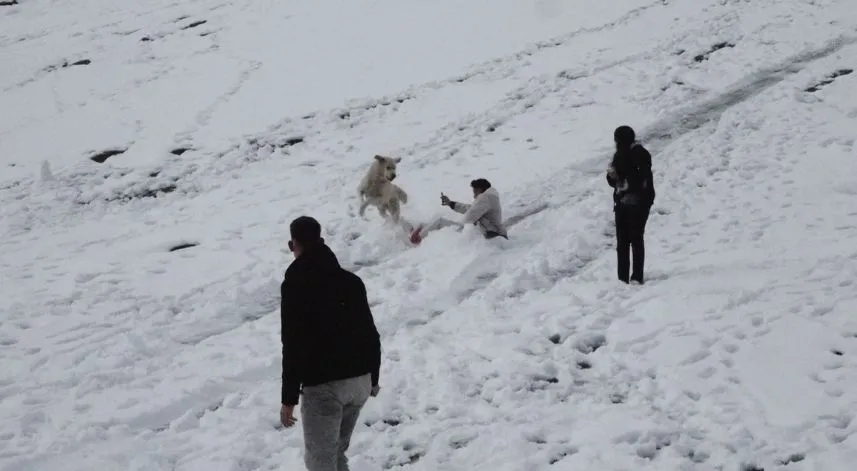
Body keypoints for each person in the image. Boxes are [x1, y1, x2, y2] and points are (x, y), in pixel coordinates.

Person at [280, 216, 382, 471]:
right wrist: (374, 377)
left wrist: (288, 398)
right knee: (336, 454)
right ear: (321, 241)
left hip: (324, 387)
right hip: (359, 381)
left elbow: (292, 342)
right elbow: (370, 332)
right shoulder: (351, 281)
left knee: (320, 463)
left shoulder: (295, 285)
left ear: (293, 245)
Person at [606, 125, 655, 284]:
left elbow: (644, 179)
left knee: (634, 238)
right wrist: (612, 176)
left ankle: (636, 277)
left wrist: (626, 183)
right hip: (622, 201)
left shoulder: (639, 154)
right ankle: (623, 279)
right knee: (623, 242)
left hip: (638, 202)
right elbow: (613, 182)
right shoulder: (618, 155)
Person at [408, 178, 508, 244]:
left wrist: (456, 229)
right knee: (440, 223)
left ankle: (417, 239)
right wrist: (451, 203)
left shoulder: (485, 197)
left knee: (440, 222)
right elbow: (470, 209)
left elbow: (470, 216)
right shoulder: (489, 197)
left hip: (490, 235)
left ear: (480, 189)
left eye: (474, 191)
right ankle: (423, 231)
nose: (473, 195)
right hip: (490, 232)